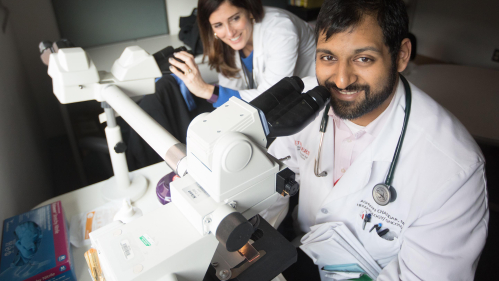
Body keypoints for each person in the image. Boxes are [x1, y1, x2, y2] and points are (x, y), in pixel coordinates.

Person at [267, 0, 489, 280]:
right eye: (328, 57)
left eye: (363, 58)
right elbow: (272, 181)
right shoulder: (306, 105)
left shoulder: (454, 168)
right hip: (300, 253)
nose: (342, 79)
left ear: (401, 55)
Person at [168, 0, 316, 107]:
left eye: (235, 18)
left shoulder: (281, 29)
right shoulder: (225, 40)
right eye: (218, 25)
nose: (230, 32)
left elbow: (272, 96)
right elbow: (230, 91)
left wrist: (206, 90)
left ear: (249, 10)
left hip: (309, 102)